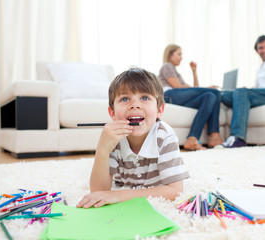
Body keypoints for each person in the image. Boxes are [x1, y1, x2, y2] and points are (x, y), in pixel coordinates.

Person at [76, 68, 189, 208]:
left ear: (159, 110)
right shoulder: (112, 138)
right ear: (112, 113)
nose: (135, 105)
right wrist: (102, 149)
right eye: (125, 99)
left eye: (145, 98)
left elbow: (175, 191)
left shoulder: (164, 135)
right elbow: (99, 192)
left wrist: (118, 195)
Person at [159, 44, 224, 151]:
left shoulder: (177, 74)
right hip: (171, 95)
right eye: (179, 54)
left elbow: (193, 89)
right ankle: (214, 134)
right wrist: (206, 88)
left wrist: (194, 71)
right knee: (215, 92)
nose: (181, 57)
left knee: (210, 96)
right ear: (170, 55)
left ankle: (193, 138)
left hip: (179, 97)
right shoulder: (167, 66)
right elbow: (177, 86)